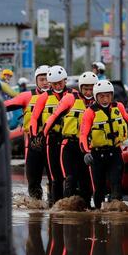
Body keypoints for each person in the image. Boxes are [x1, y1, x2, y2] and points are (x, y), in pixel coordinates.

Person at [80, 80, 128, 207]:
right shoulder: (90, 112)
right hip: (97, 155)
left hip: (115, 153)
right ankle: (98, 214)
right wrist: (86, 152)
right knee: (99, 189)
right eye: (102, 96)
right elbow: (83, 135)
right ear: (96, 97)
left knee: (116, 185)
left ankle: (115, 215)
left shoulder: (118, 107)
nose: (105, 99)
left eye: (108, 96)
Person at [43, 71, 99, 201]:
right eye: (86, 89)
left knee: (86, 182)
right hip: (69, 146)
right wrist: (42, 135)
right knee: (70, 179)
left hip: (88, 147)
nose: (89, 92)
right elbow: (54, 117)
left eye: (92, 89)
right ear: (80, 88)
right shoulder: (70, 98)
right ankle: (63, 209)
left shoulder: (101, 102)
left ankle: (86, 209)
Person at [31, 66, 76, 205]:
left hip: (68, 140)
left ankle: (72, 203)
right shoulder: (44, 97)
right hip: (51, 138)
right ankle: (55, 205)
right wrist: (34, 136)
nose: (58, 86)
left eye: (60, 83)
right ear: (50, 83)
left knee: (71, 175)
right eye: (54, 83)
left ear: (65, 81)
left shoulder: (74, 95)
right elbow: (34, 118)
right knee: (54, 176)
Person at [5, 65, 52, 198]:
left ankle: (55, 205)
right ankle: (35, 211)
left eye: (48, 79)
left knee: (56, 180)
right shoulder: (27, 96)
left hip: (54, 142)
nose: (45, 83)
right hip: (34, 142)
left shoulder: (62, 97)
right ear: (36, 81)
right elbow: (6, 105)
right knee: (33, 180)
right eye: (42, 79)